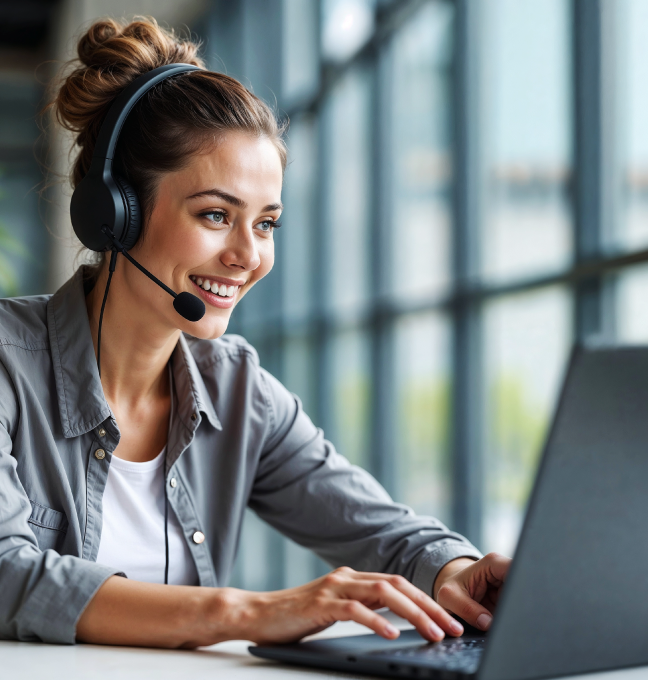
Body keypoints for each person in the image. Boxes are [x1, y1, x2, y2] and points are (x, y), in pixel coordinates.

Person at [0, 18, 510, 648]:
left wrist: (458, 572)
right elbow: (7, 574)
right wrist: (248, 614)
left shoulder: (236, 387)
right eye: (216, 215)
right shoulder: (6, 364)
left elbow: (384, 532)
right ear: (115, 216)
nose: (249, 256)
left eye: (266, 223)